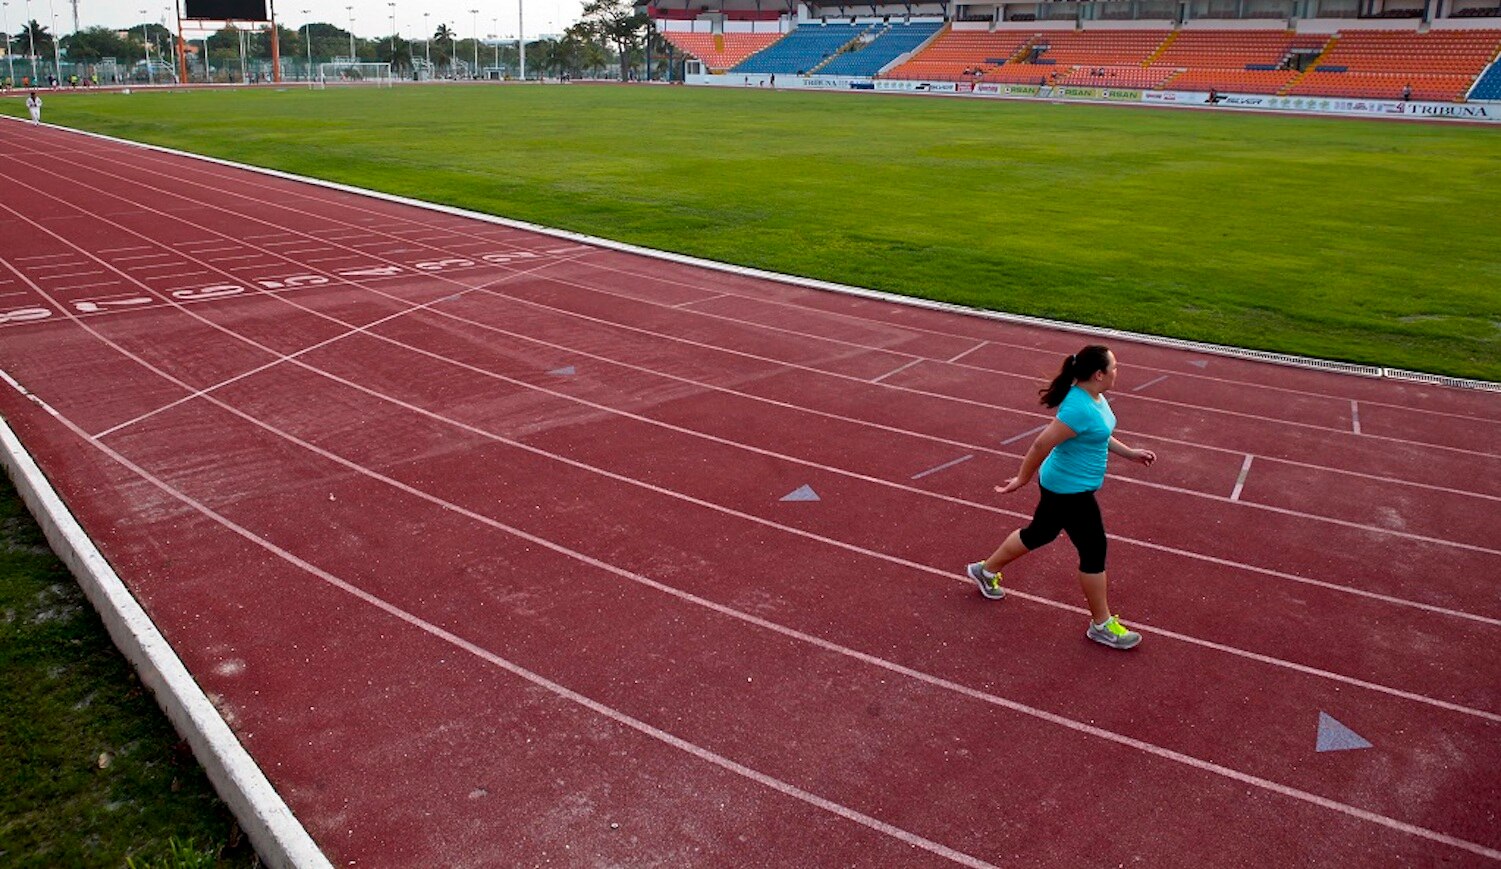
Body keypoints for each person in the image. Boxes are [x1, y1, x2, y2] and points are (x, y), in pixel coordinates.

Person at [966, 345, 1157, 650]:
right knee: (1094, 549)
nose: (1117, 371)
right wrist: (1022, 479)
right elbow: (1041, 445)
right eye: (1114, 367)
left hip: (1065, 485)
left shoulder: (1094, 396)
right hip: (1069, 491)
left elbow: (1099, 433)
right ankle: (1102, 624)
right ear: (1099, 374)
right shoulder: (1078, 407)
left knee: (1040, 533)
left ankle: (985, 571)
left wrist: (1129, 453)